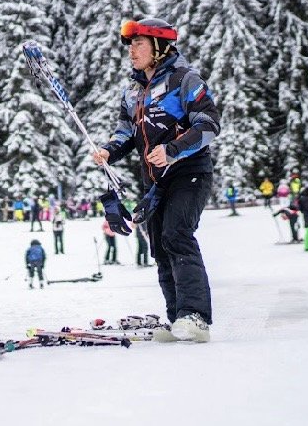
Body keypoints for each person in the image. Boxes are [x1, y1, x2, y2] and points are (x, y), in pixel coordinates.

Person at [93, 18, 221, 343]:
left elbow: (208, 124)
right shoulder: (133, 91)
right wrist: (108, 151)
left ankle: (195, 317)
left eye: (139, 44)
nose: (132, 51)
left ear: (160, 47)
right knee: (161, 246)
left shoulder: (184, 80)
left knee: (177, 234)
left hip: (189, 172)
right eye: (130, 45)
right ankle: (177, 317)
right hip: (154, 183)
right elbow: (126, 133)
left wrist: (173, 150)